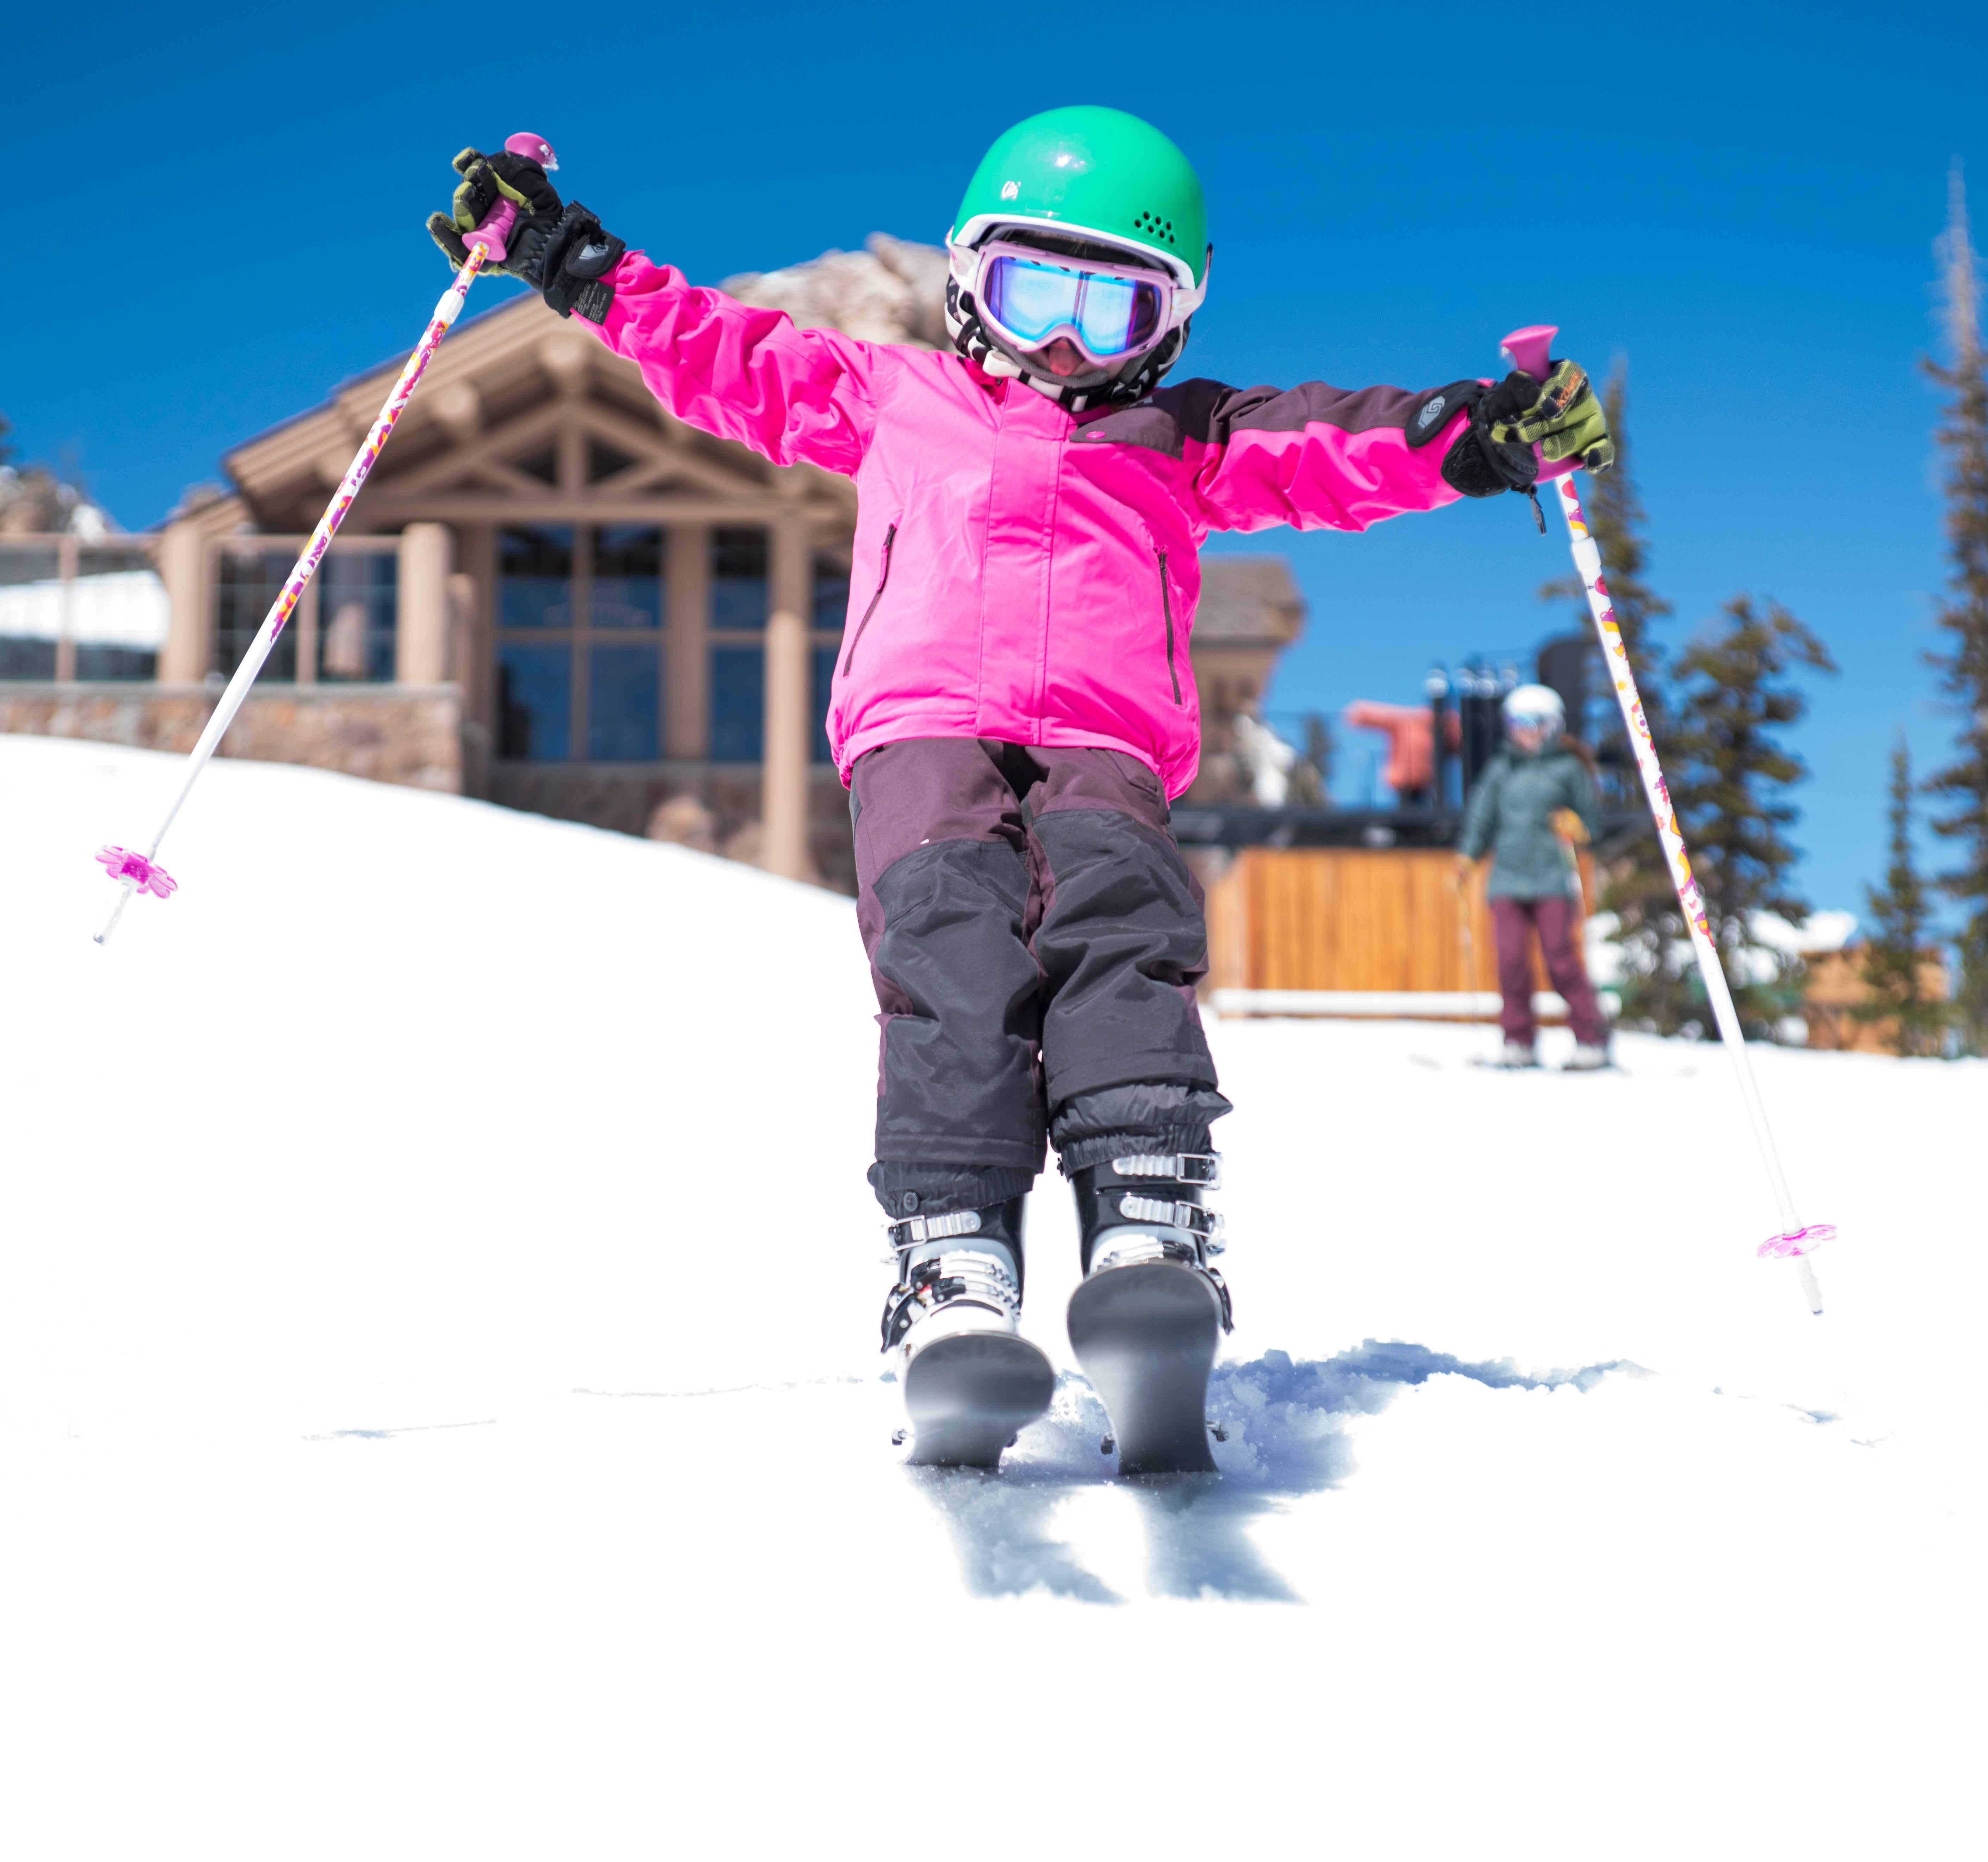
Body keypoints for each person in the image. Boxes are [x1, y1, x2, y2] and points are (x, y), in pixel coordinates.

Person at [426, 107, 1613, 1470]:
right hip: (924, 731)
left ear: (1165, 325)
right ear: (965, 285)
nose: (1061, 343)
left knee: (1123, 951)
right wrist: (569, 258)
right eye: (1031, 294)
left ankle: (1146, 1230)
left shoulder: (1182, 432)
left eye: (1105, 311)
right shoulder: (893, 395)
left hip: (1103, 744)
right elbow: (725, 355)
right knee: (954, 969)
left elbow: (1342, 444)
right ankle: (954, 1267)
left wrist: (1478, 437)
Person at [1457, 685, 1611, 1072]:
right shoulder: (1499, 769)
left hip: (1551, 875)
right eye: (1515, 723)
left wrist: (1577, 825)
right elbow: (1481, 817)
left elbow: (1591, 819)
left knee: (1559, 959)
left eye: (1531, 722)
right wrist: (1467, 855)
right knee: (1510, 962)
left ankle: (1591, 1038)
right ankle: (1517, 1040)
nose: (1523, 731)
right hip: (1507, 877)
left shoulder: (1568, 768)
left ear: (1550, 725)